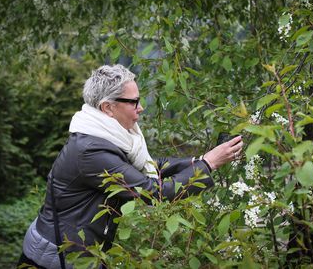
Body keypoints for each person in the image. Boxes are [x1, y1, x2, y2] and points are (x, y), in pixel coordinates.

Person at [18, 64, 243, 268]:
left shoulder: (106, 136)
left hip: (79, 249)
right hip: (59, 254)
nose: (141, 108)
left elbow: (149, 166)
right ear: (107, 107)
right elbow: (152, 192)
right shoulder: (91, 151)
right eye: (133, 101)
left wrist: (198, 160)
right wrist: (209, 164)